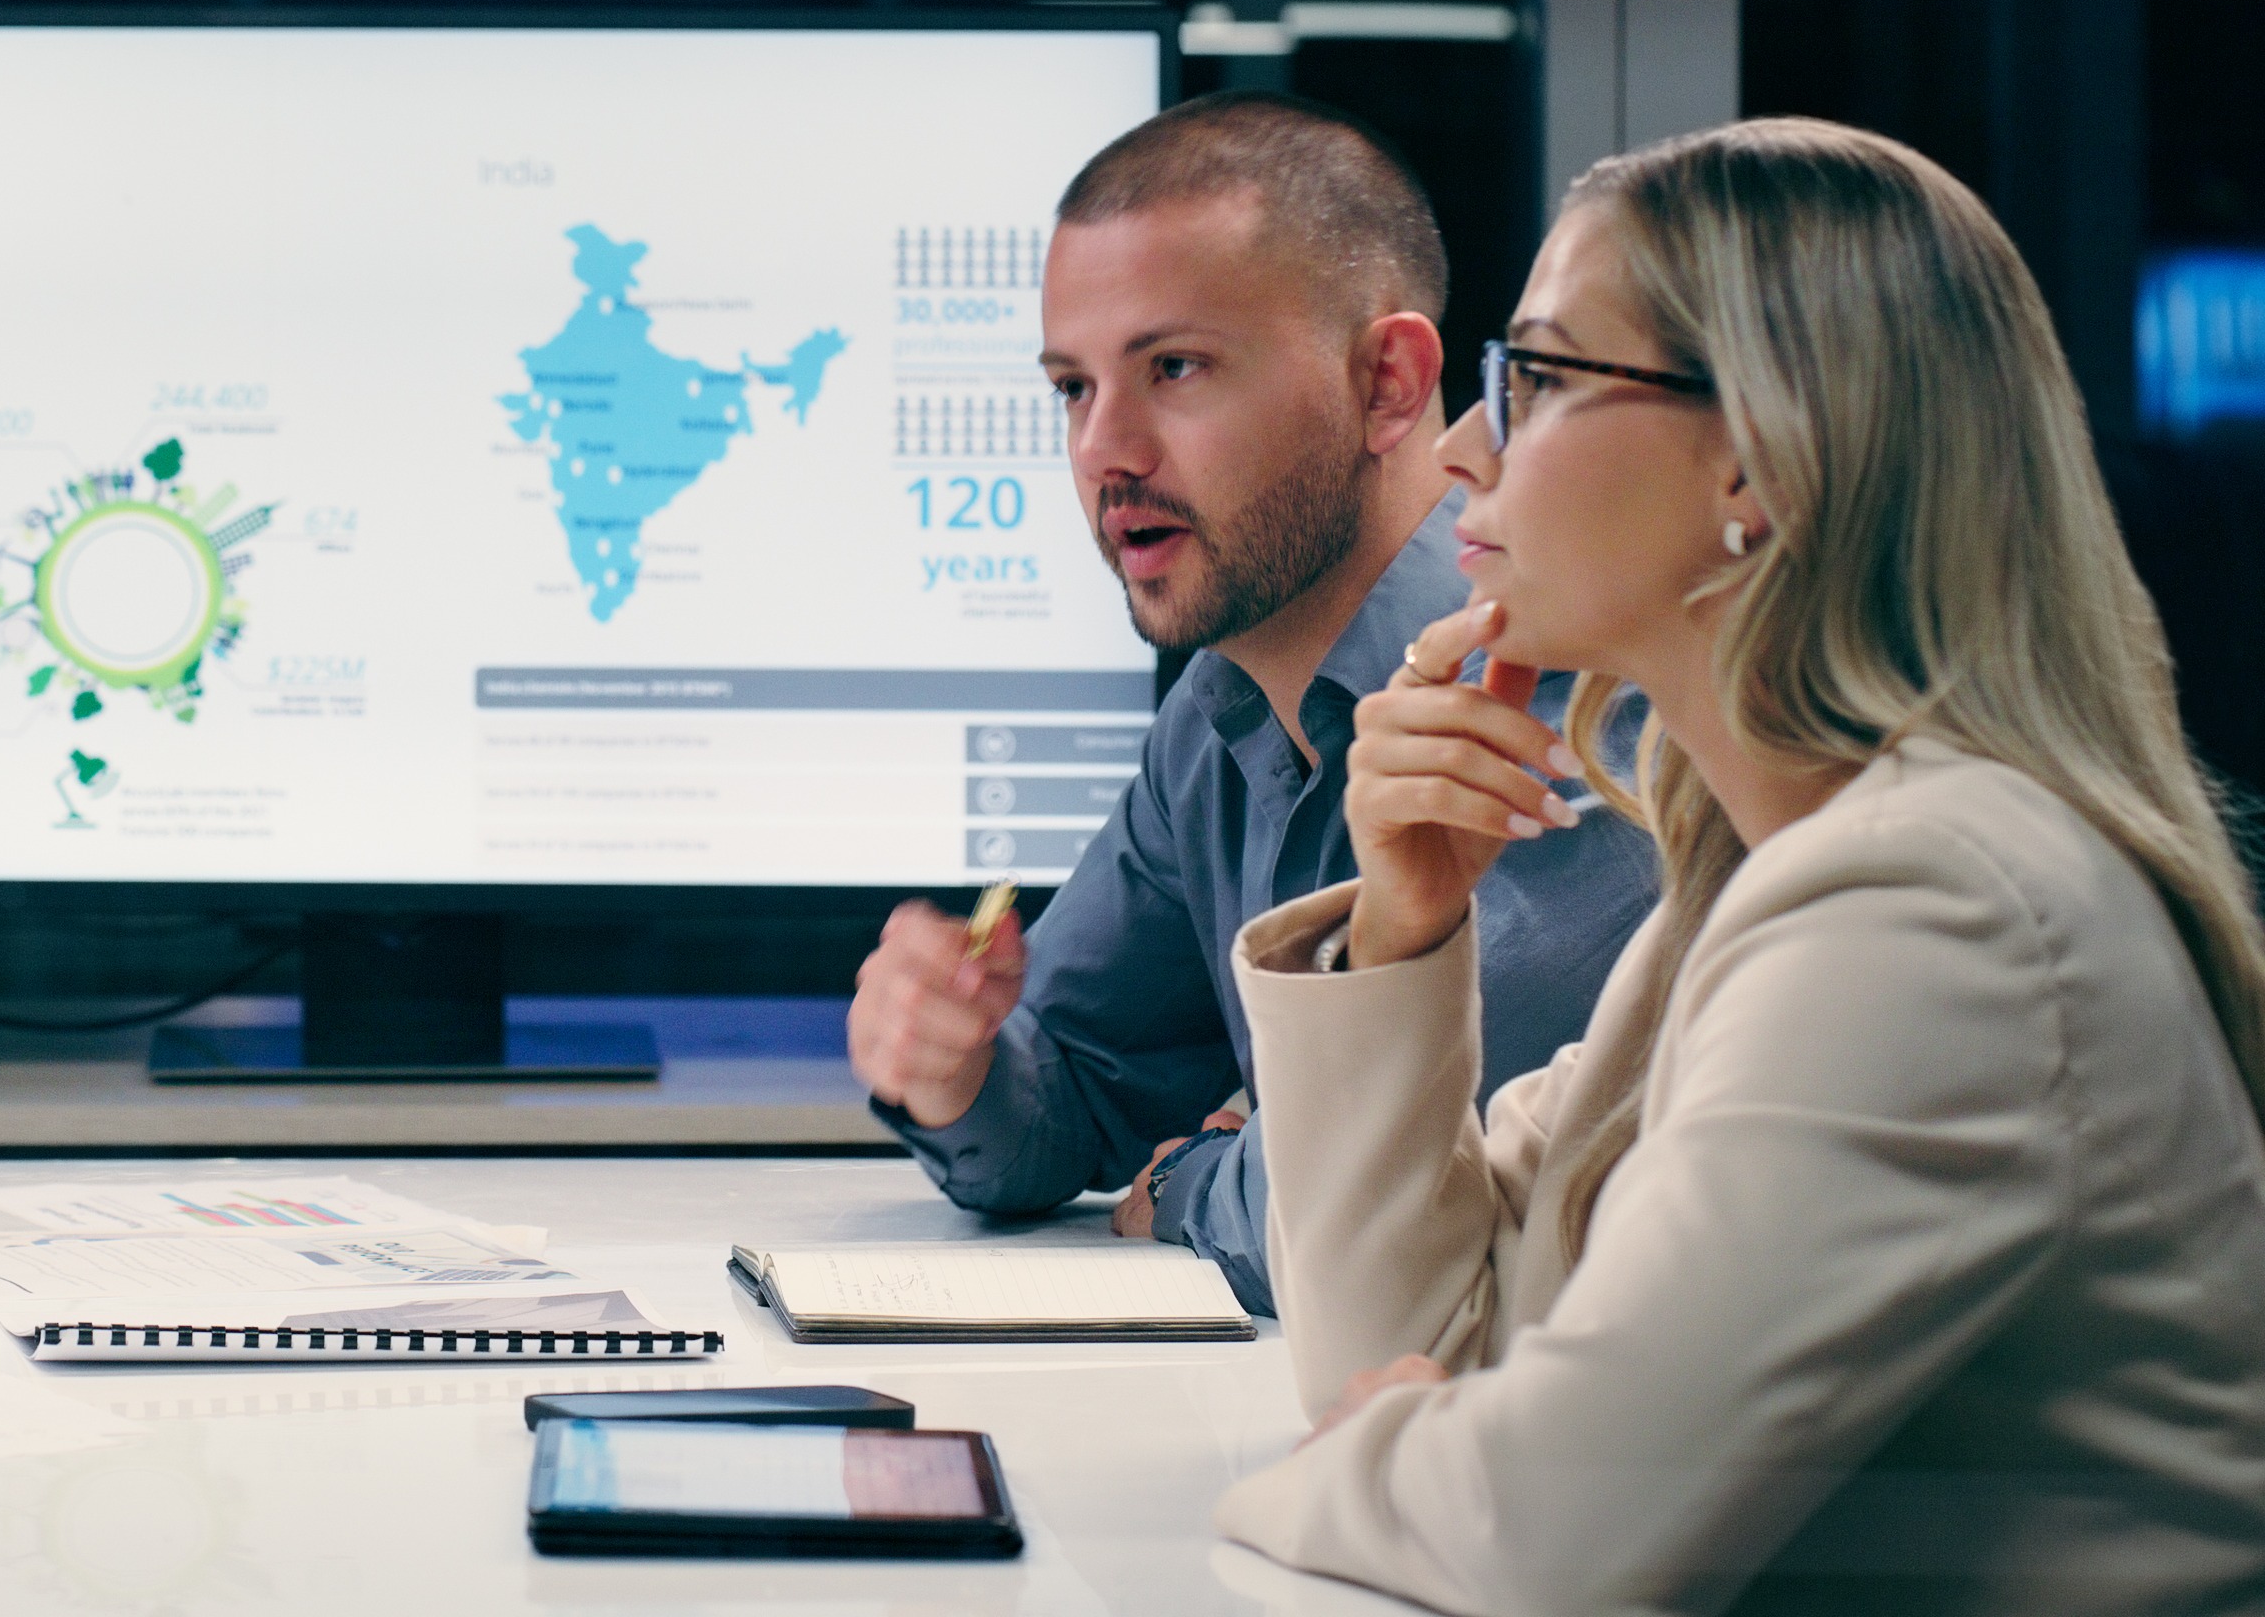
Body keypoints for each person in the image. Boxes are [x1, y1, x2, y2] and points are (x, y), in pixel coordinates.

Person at [1216, 117, 2265, 1611]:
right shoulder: (1762, 874)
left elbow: (1542, 1528)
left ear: (1757, 468)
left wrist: (1376, 1447)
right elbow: (1435, 1345)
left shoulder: (1929, 908)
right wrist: (1402, 928)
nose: (1463, 443)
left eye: (1543, 376)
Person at [846, 92, 1660, 1311]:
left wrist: (1190, 1182)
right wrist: (954, 1067)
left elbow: (1382, 1189)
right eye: (1073, 388)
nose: (1102, 451)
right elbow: (1067, 1096)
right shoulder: (1221, 710)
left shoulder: (1556, 688)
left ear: (1389, 383)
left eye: (1173, 369)